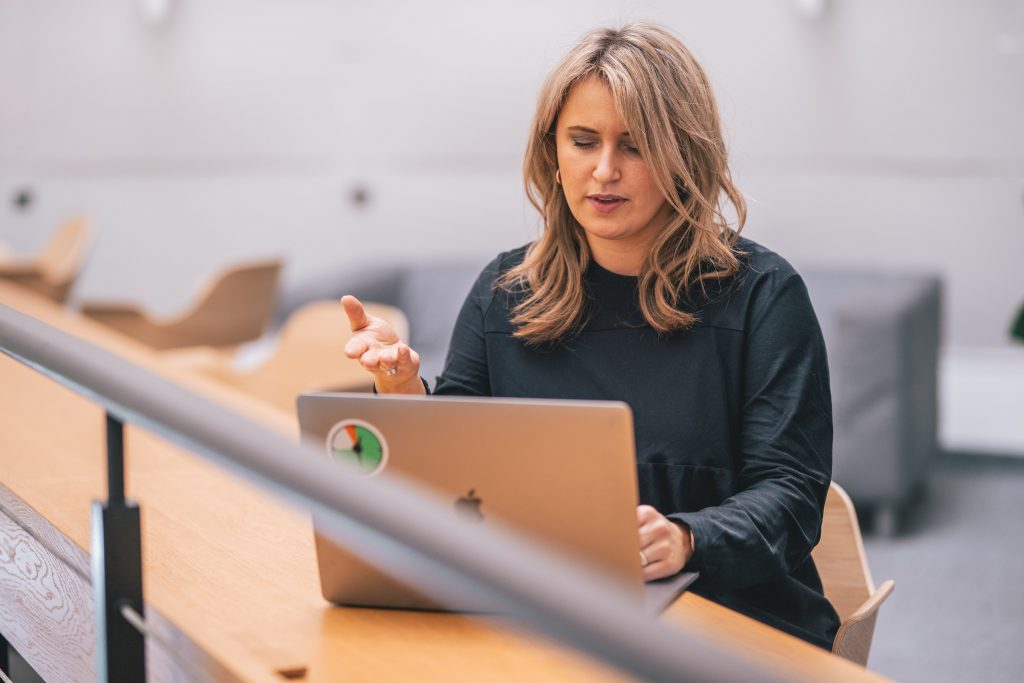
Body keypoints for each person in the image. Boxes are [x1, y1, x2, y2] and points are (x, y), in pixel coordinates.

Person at [341, 22, 841, 650]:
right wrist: (401, 386)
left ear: (683, 154)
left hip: (729, 621)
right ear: (553, 151)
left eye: (634, 146)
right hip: (546, 615)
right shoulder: (506, 290)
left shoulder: (764, 295)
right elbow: (453, 477)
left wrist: (687, 539)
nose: (604, 170)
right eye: (583, 141)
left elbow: (792, 496)